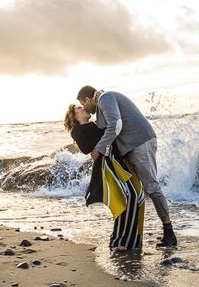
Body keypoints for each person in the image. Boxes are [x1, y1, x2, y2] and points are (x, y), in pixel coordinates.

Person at [76, 86, 177, 247]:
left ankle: (169, 232)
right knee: (135, 192)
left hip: (140, 143)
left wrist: (99, 149)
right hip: (131, 147)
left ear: (88, 100)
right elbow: (104, 129)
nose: (84, 107)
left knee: (151, 187)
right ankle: (132, 236)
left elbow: (116, 125)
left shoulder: (105, 98)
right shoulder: (103, 105)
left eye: (83, 104)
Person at [64, 104, 145, 252]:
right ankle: (119, 242)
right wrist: (102, 142)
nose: (83, 108)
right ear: (75, 117)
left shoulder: (96, 124)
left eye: (82, 106)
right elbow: (86, 148)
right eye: (79, 109)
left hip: (117, 161)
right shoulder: (77, 130)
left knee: (135, 196)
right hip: (106, 165)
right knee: (128, 196)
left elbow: (110, 135)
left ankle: (132, 241)